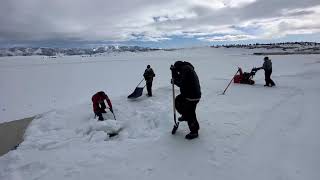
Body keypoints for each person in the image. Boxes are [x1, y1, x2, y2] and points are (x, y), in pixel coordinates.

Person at [171, 61, 201, 140]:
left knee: (190, 113)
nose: (178, 72)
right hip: (190, 93)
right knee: (178, 100)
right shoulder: (186, 68)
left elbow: (181, 82)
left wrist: (174, 74)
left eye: (177, 70)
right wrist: (174, 73)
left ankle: (194, 132)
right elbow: (181, 80)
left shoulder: (186, 69)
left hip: (192, 96)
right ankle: (185, 115)